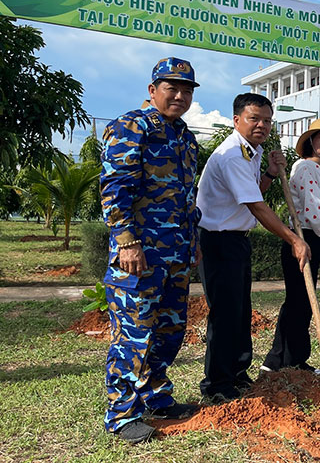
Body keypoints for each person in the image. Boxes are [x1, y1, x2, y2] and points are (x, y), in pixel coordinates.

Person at [100, 57, 202, 444]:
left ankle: (157, 397)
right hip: (138, 255)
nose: (179, 95)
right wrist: (126, 242)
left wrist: (192, 244)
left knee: (170, 332)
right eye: (171, 88)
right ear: (152, 90)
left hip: (175, 254)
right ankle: (121, 414)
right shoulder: (131, 127)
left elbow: (187, 198)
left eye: (186, 90)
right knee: (133, 335)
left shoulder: (185, 137)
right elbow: (115, 190)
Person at [196, 93, 310, 404]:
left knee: (240, 310)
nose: (262, 125)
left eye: (267, 120)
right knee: (224, 313)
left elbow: (251, 192)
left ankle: (237, 371)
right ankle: (217, 384)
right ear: (236, 120)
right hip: (218, 241)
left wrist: (271, 173)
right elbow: (257, 206)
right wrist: (294, 238)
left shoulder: (251, 153)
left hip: (236, 241)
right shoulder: (233, 154)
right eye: (254, 119)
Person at [260, 118, 320, 373]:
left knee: (301, 301)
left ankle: (285, 360)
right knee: (299, 301)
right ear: (311, 142)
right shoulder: (304, 167)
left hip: (317, 240)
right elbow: (317, 215)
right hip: (302, 239)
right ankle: (283, 360)